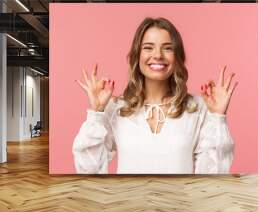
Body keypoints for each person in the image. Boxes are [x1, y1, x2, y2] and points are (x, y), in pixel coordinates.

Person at [73, 17, 238, 174]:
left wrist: (217, 117)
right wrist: (96, 113)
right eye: (148, 47)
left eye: (167, 48)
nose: (158, 55)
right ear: (137, 56)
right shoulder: (116, 109)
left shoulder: (197, 107)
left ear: (177, 57)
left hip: (181, 203)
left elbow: (212, 177)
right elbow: (89, 171)